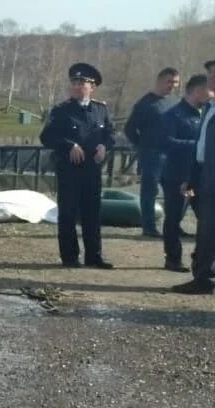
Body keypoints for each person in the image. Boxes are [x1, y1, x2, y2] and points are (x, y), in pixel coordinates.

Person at [39, 63, 116, 269]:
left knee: (92, 212)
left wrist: (104, 146)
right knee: (68, 213)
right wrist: (69, 144)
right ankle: (70, 257)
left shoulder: (101, 110)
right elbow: (46, 137)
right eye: (74, 82)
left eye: (82, 83)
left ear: (92, 87)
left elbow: (110, 134)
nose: (77, 86)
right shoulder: (62, 110)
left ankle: (94, 256)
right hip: (69, 169)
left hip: (92, 169)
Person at [159, 75, 208, 272]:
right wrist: (198, 147)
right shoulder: (174, 115)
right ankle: (173, 258)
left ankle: (202, 259)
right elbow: (166, 142)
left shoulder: (204, 114)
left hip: (199, 176)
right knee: (174, 218)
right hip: (176, 175)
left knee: (205, 218)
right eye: (209, 89)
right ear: (197, 90)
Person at [123, 67, 180, 237]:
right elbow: (130, 129)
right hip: (152, 154)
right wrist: (143, 146)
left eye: (176, 82)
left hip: (172, 154)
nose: (172, 85)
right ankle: (149, 227)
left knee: (174, 191)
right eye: (169, 81)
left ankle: (173, 226)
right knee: (150, 191)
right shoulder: (145, 103)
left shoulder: (175, 102)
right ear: (159, 80)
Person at [172, 99, 215, 294]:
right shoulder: (208, 109)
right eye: (210, 76)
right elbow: (202, 150)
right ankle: (203, 276)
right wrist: (193, 179)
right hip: (205, 175)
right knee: (206, 230)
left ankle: (205, 277)